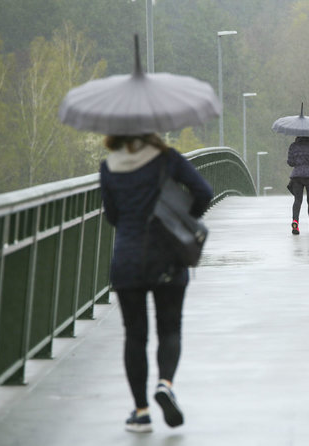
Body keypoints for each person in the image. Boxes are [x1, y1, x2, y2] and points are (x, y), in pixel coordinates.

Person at [99, 133, 213, 433]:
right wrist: (182, 217)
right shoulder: (168, 159)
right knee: (170, 327)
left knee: (135, 336)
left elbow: (112, 216)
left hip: (128, 260)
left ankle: (141, 412)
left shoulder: (109, 166)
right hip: (168, 257)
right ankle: (165, 384)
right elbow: (204, 192)